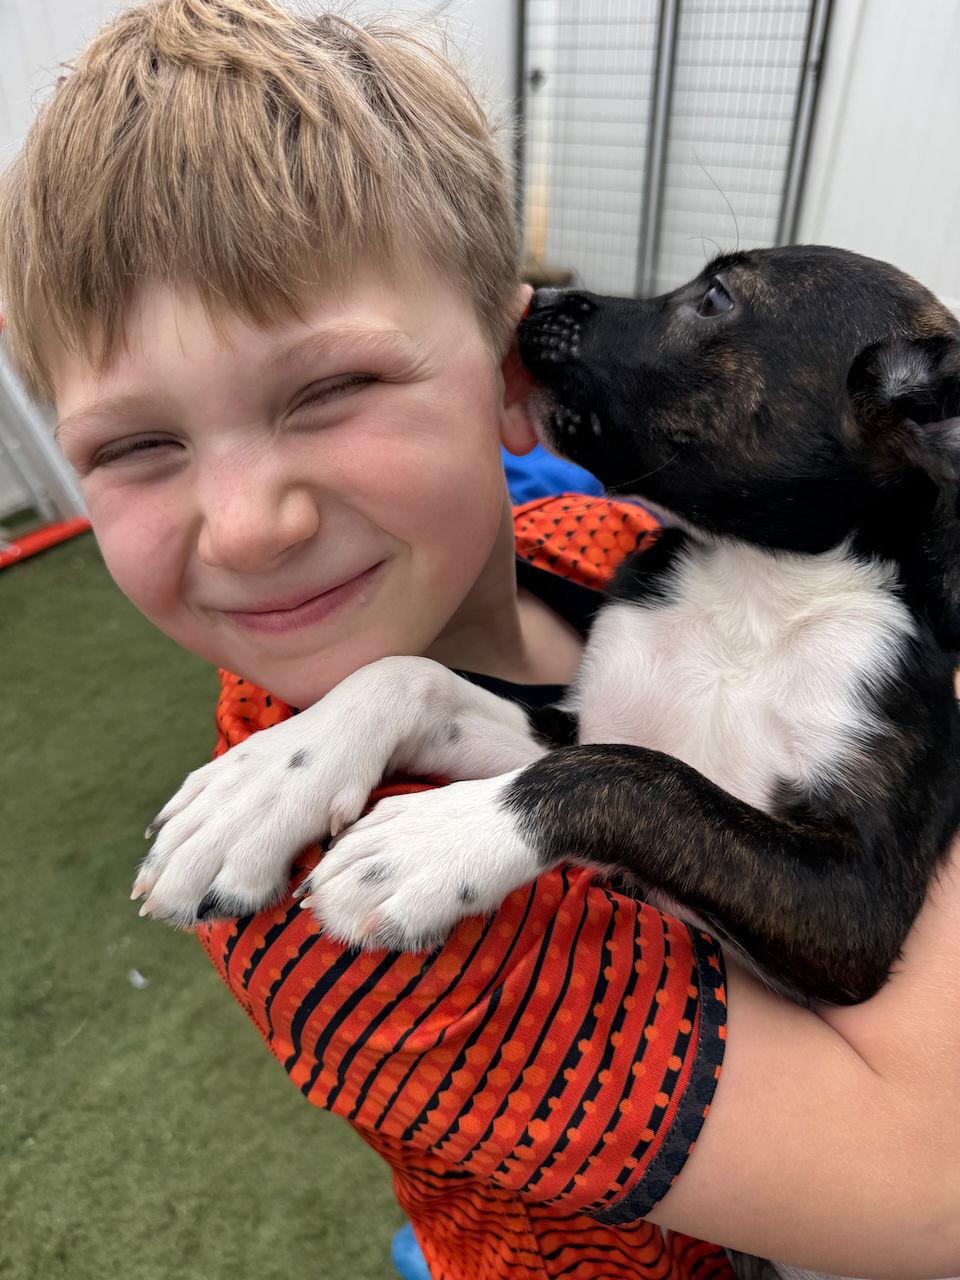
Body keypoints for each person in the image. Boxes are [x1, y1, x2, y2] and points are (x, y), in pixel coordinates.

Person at [2, 3, 960, 1278]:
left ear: (507, 370)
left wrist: (445, 716)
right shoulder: (331, 919)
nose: (247, 525)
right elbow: (932, 1201)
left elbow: (594, 740)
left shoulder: (593, 544)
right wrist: (553, 782)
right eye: (135, 444)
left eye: (331, 387)